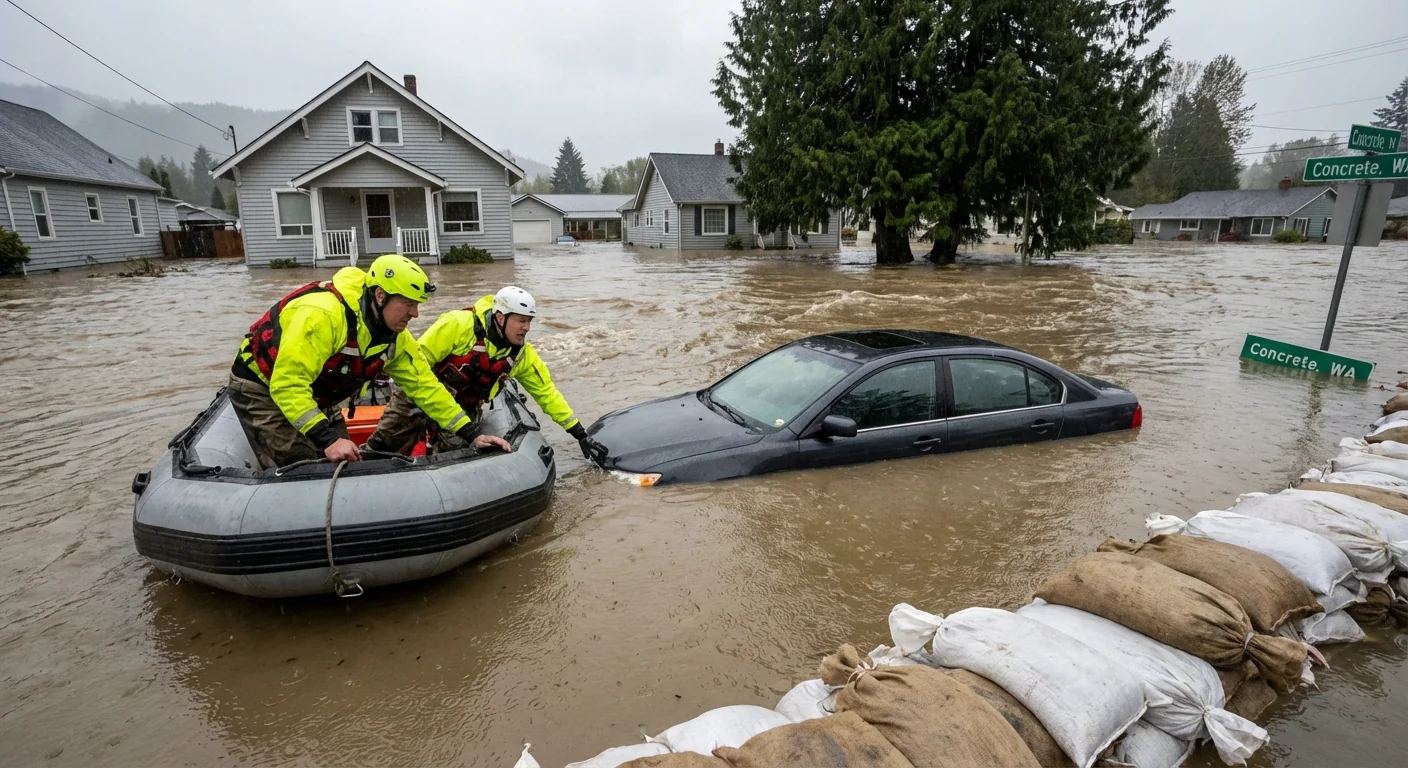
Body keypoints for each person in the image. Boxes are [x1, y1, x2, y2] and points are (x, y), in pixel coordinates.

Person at [227, 254, 510, 470]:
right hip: (262, 388)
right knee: (307, 467)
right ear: (379, 295)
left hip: (314, 395)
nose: (416, 314)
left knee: (346, 466)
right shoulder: (323, 316)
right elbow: (287, 385)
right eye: (409, 304)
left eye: (418, 304)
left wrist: (471, 433)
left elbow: (426, 387)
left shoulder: (395, 338)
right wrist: (327, 440)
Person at [365, 285, 608, 464]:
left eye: (529, 321)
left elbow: (547, 394)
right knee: (383, 443)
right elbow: (414, 362)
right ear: (500, 318)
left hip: (463, 411)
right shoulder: (458, 326)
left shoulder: (521, 355)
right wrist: (418, 401)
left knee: (454, 459)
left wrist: (580, 434)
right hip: (418, 396)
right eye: (521, 321)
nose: (527, 328)